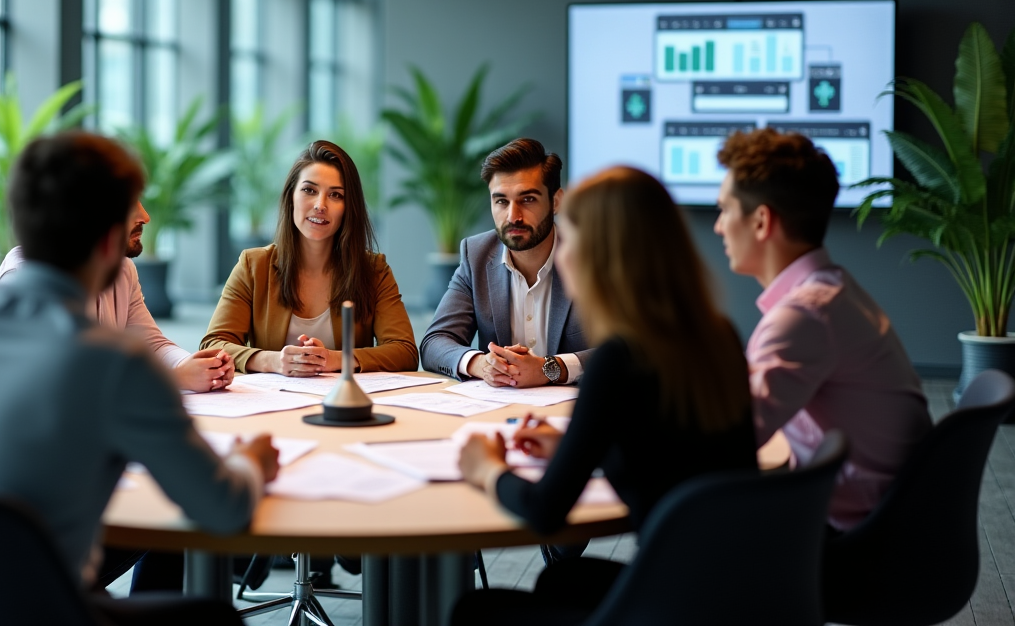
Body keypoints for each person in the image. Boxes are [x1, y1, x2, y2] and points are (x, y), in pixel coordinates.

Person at [0, 132, 277, 625]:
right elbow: (224, 510)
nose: (145, 218)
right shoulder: (115, 362)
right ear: (110, 241)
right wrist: (251, 461)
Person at [453, 167, 757, 626]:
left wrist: (487, 469)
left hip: (669, 606)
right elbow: (676, 449)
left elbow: (545, 513)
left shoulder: (620, 360)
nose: (564, 254)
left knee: (475, 610)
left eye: (570, 241)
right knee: (563, 581)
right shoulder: (716, 336)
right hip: (729, 588)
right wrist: (580, 445)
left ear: (602, 254)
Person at [715, 127, 931, 531]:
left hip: (853, 538)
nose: (718, 227)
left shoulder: (803, 315)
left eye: (725, 210)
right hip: (881, 515)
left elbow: (730, 442)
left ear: (761, 222)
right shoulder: (831, 291)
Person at [201, 140, 418, 375]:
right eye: (309, 190)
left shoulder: (374, 270)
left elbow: (405, 351)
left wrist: (335, 359)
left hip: (344, 404)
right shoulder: (253, 266)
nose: (320, 205)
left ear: (348, 208)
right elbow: (213, 346)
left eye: (335, 195)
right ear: (290, 196)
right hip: (272, 405)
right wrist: (272, 361)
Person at [0, 199, 234, 393]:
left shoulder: (122, 268)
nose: (145, 216)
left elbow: (151, 343)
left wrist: (197, 365)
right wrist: (173, 379)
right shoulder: (26, 278)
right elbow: (55, 382)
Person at [421, 138, 591, 388]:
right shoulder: (476, 254)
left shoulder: (592, 255)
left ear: (555, 201)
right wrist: (481, 364)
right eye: (501, 201)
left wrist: (549, 369)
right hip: (498, 412)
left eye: (528, 199)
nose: (513, 216)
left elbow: (632, 346)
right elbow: (435, 342)